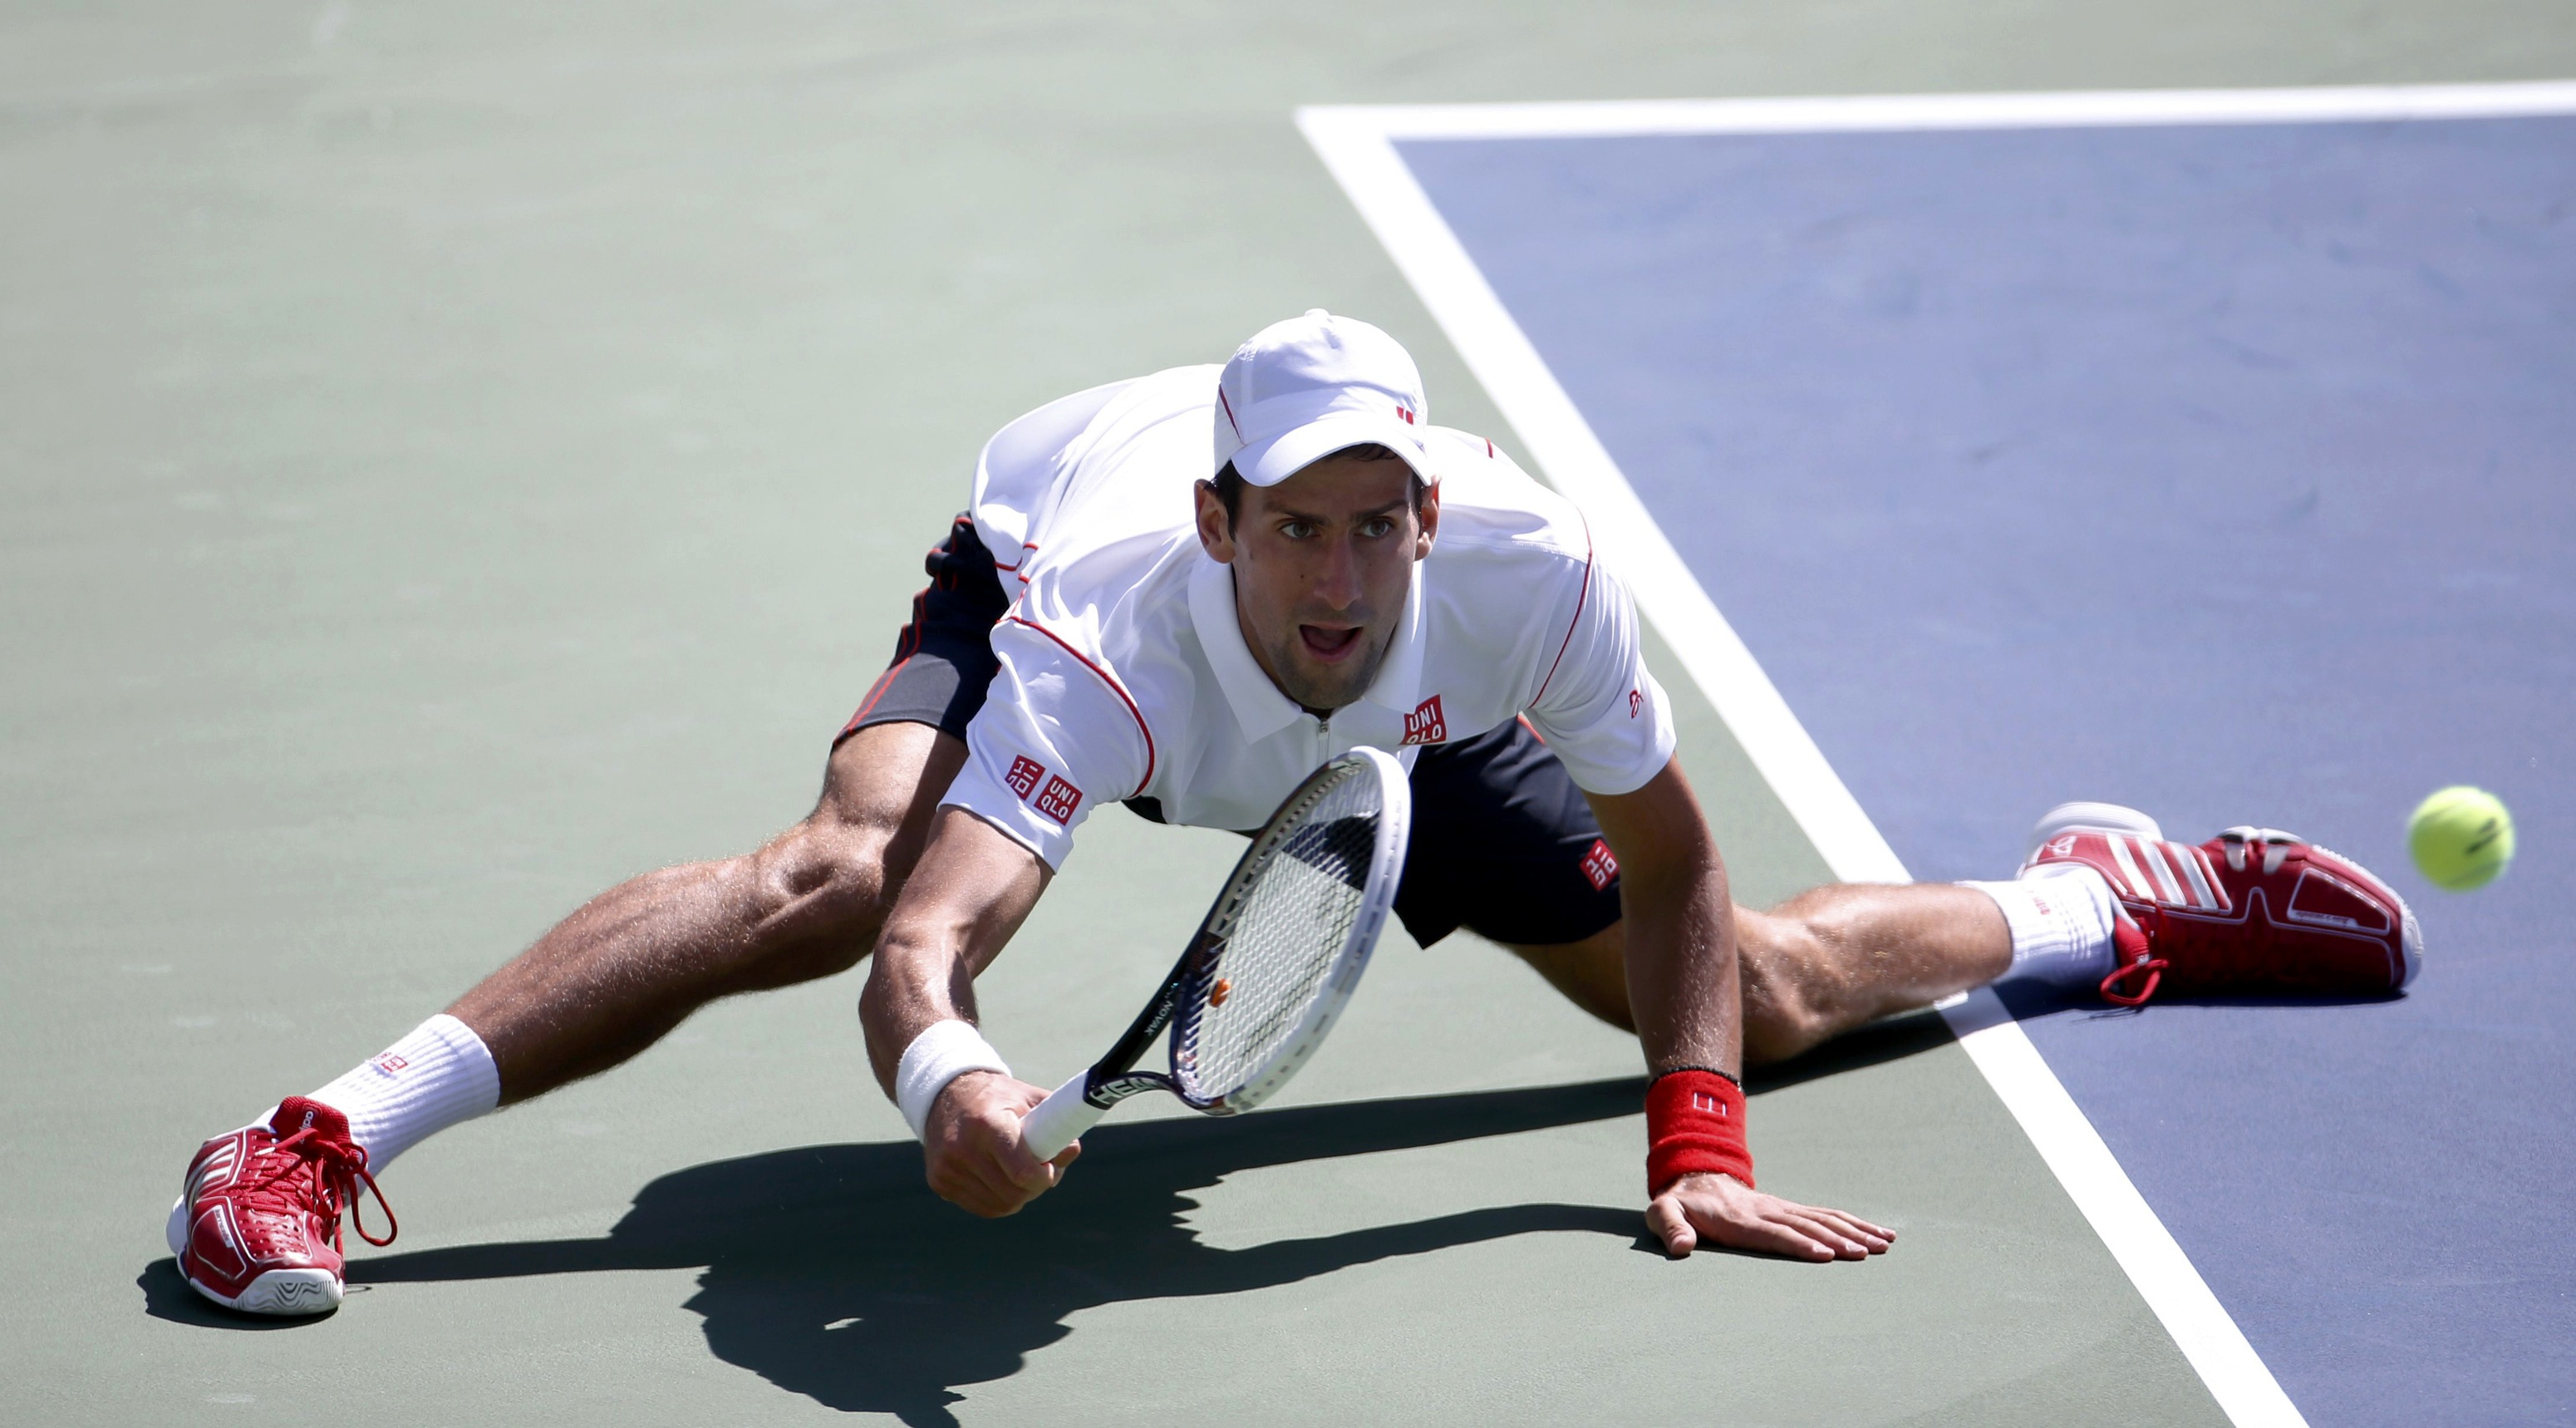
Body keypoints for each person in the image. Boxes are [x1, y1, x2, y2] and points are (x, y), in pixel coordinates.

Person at [168, 311, 2423, 1317]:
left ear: (1425, 513)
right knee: (834, 870)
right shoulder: (1105, 627)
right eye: (1297, 528)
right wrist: (954, 1084)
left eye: (1377, 525)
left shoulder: (1526, 584)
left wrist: (1695, 1147)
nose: (1340, 576)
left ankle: (2095, 903)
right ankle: (314, 1140)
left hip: (1413, 755)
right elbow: (923, 949)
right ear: (1224, 516)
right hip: (1061, 606)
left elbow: (1677, 865)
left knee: (1767, 998)